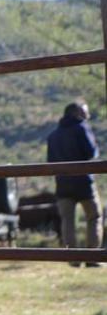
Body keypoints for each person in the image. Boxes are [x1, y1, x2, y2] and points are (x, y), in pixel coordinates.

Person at [46, 100, 102, 266]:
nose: (87, 116)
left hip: (62, 184)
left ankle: (73, 259)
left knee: (67, 221)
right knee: (94, 216)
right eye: (85, 113)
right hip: (84, 182)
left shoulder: (53, 135)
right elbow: (91, 152)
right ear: (76, 113)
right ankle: (93, 257)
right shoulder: (82, 128)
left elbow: (50, 162)